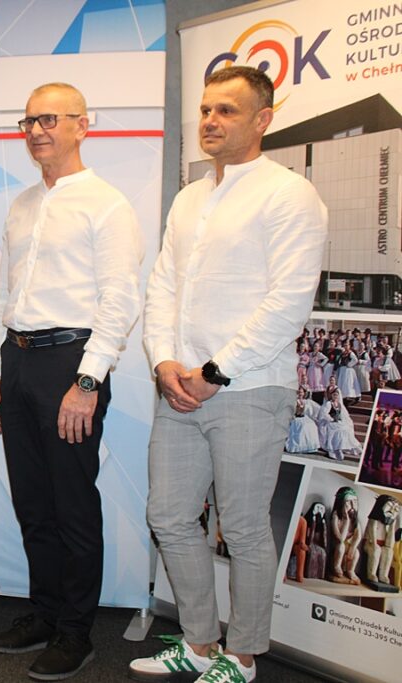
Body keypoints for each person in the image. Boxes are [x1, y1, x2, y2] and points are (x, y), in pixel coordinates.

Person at [131, 66, 327, 683]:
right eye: (206, 109)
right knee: (168, 517)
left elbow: (289, 302)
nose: (210, 121)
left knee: (241, 529)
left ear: (262, 119)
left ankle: (242, 657)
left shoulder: (289, 194)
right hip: (179, 389)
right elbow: (163, 286)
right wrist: (163, 360)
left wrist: (216, 371)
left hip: (250, 389)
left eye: (227, 111)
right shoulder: (190, 198)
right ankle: (199, 643)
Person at [0, 82, 143, 680]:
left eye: (50, 119)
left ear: (83, 125)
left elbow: (120, 299)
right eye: (29, 121)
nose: (36, 131)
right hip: (19, 360)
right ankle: (45, 614)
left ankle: (76, 632)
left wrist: (87, 381)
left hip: (71, 364)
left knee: (73, 505)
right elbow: (6, 294)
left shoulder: (107, 204)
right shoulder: (22, 204)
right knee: (32, 502)